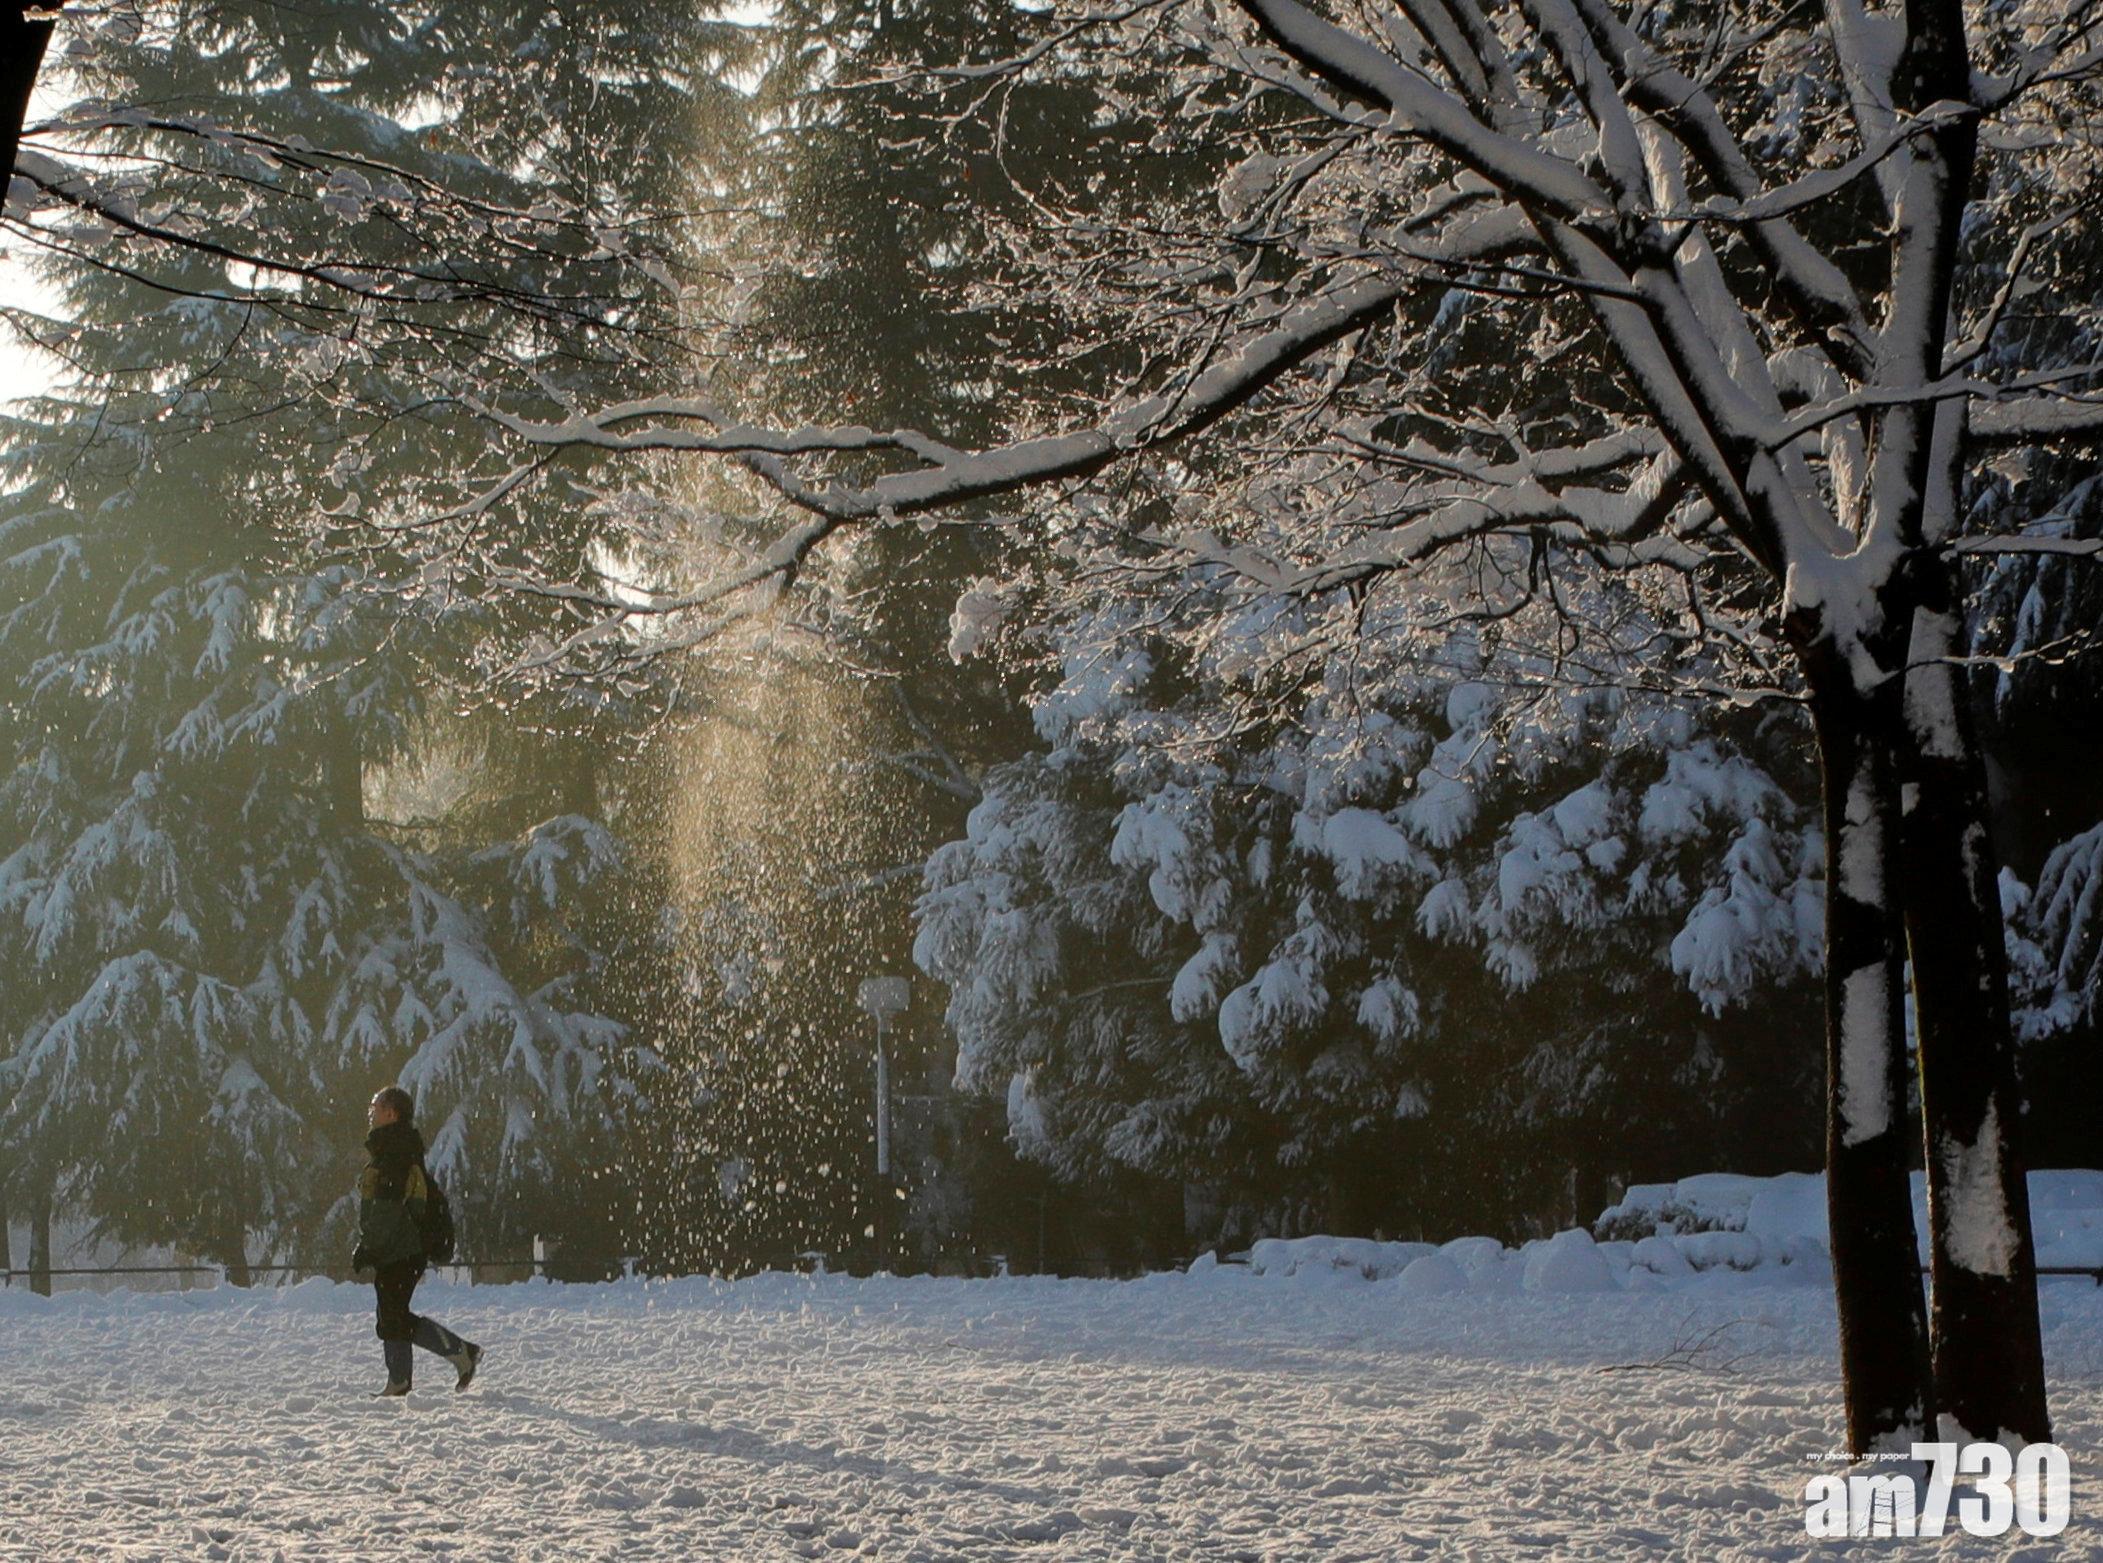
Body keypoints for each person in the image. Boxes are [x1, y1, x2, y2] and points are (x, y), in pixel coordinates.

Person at [351, 1085, 483, 1396]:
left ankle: (459, 1353)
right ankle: (400, 1379)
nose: (371, 1111)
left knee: (394, 1315)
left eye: (376, 1106)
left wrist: (369, 1246)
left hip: (403, 1250)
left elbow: (387, 1211)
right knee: (390, 1313)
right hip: (398, 1248)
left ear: (391, 1113)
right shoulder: (394, 1148)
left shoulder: (394, 1153)